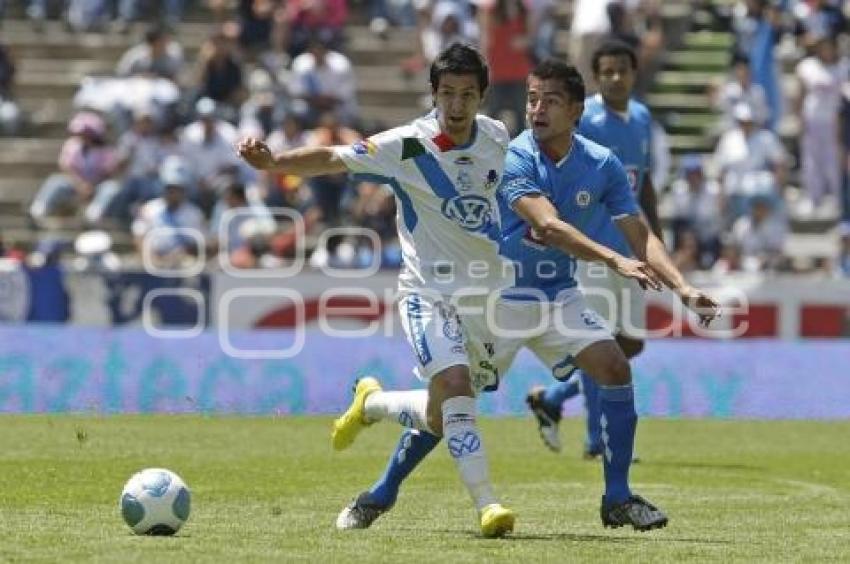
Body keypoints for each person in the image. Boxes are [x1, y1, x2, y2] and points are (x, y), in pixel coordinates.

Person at [332, 59, 718, 533]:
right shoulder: (511, 155)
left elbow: (639, 232)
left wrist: (683, 287)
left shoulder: (601, 163)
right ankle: (381, 490)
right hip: (499, 302)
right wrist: (612, 260)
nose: (537, 109)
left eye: (550, 101)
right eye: (533, 98)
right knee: (447, 408)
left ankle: (617, 496)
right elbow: (548, 225)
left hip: (559, 296)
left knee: (615, 366)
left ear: (576, 110)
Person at [239, 43, 531, 538]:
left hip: (486, 297)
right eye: (447, 94)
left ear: (482, 96)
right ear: (434, 94)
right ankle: (488, 506)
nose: (456, 106)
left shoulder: (498, 137)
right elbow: (334, 157)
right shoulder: (408, 145)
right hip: (428, 293)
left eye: (467, 95)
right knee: (457, 390)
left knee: (443, 414)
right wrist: (275, 163)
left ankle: (374, 424)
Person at [526, 40, 662, 458]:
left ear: (634, 73)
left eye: (623, 70)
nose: (616, 77)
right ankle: (596, 439)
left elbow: (644, 183)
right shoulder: (587, 121)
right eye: (608, 71)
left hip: (632, 251)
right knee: (598, 340)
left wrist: (655, 236)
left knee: (632, 344)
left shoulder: (641, 117)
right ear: (596, 77)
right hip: (595, 251)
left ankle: (551, 398)